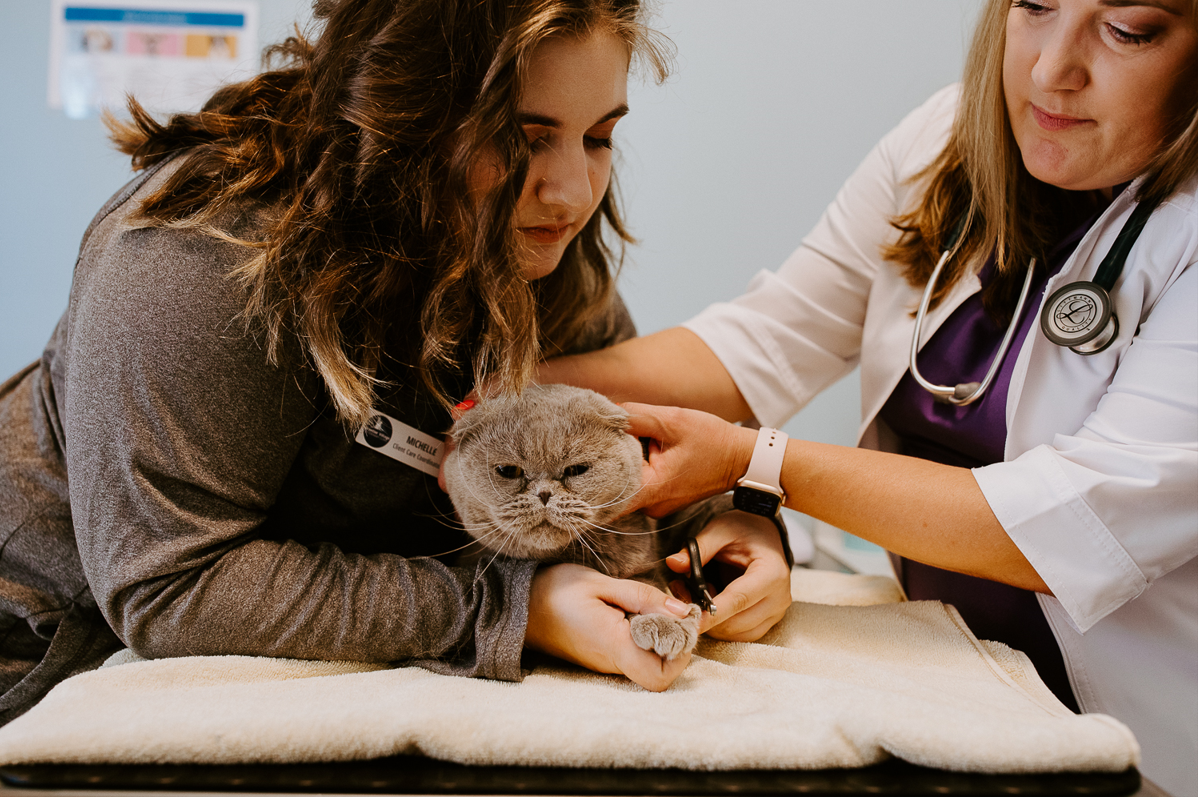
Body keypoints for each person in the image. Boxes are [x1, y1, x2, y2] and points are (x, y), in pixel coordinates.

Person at [0, 0, 772, 726]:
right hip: (44, 644)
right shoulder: (196, 256)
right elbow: (171, 584)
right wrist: (511, 609)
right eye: (523, 138)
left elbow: (619, 466)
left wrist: (731, 529)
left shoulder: (539, 243)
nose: (573, 192)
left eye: (598, 137)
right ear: (402, 118)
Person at [539, 0, 1198, 793]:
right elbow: (768, 340)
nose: (1053, 70)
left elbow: (1071, 527)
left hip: (1141, 747)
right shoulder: (946, 139)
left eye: (1126, 30)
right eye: (1035, 6)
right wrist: (501, 388)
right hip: (953, 690)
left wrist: (754, 463)